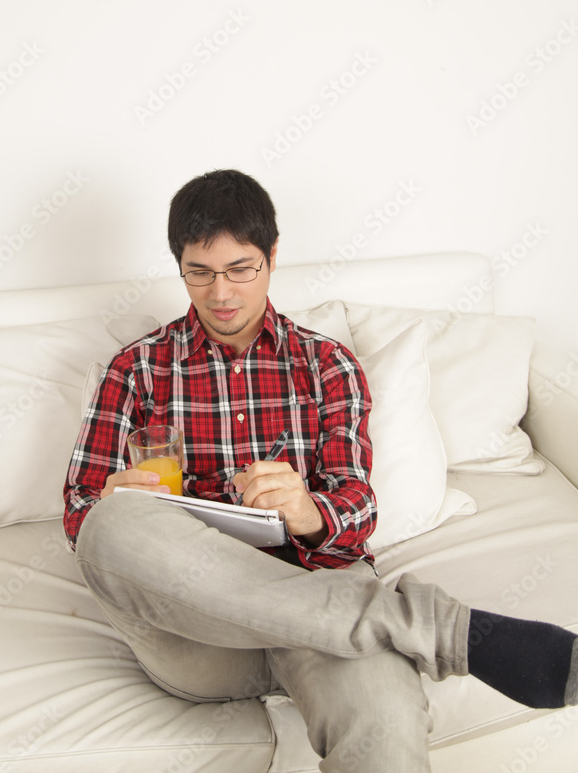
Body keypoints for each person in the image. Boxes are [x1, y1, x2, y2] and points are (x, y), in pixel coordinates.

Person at [64, 168, 577, 773]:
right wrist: (113, 500)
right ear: (179, 266)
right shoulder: (135, 369)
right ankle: (437, 628)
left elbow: (357, 509)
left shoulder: (327, 364)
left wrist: (308, 512)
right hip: (199, 631)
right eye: (199, 272)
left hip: (321, 599)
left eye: (240, 269)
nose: (220, 293)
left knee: (385, 727)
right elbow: (79, 514)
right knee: (111, 524)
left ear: (272, 256)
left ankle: (393, 625)